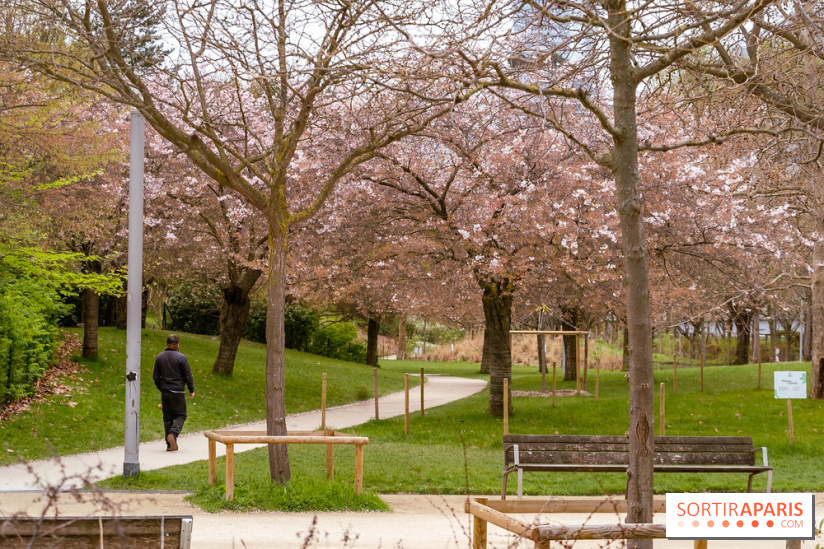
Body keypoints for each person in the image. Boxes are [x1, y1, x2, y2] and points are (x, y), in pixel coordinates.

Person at [153, 334, 195, 451]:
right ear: (177, 345)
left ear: (167, 344)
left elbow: (155, 376)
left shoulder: (159, 357)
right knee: (181, 415)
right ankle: (173, 433)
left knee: (168, 418)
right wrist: (191, 389)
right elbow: (187, 375)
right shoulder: (181, 357)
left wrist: (161, 387)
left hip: (165, 391)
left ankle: (169, 445)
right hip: (177, 391)